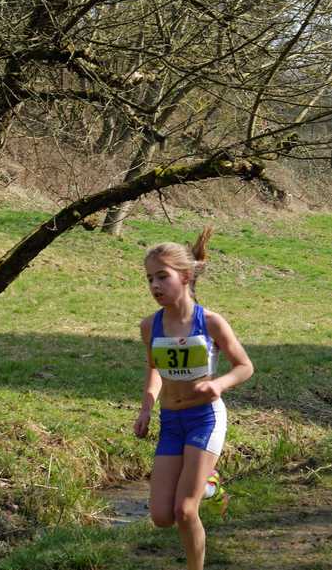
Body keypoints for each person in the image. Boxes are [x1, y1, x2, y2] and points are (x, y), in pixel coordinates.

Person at [133, 228, 253, 570]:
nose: (155, 286)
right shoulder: (150, 326)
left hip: (205, 418)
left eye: (163, 277)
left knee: (185, 510)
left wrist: (219, 385)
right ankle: (210, 485)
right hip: (171, 421)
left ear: (185, 277)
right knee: (161, 516)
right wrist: (146, 409)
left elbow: (245, 366)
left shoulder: (211, 322)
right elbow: (154, 369)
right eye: (150, 279)